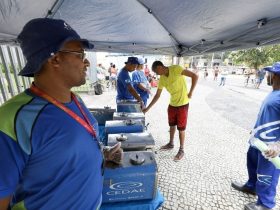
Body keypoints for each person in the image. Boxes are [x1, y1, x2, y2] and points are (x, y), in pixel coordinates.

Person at [0, 18, 123, 210]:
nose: (87, 62)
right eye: (80, 54)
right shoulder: (12, 119)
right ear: (55, 59)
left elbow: (59, 157)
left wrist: (103, 155)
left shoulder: (76, 101)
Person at [231, 63, 280, 210]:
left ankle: (265, 204)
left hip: (270, 148)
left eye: (269, 73)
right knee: (252, 165)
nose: (267, 76)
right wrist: (255, 131)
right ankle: (251, 186)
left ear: (276, 76)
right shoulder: (274, 92)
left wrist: (278, 145)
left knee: (266, 176)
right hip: (257, 141)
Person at [143, 61, 198, 161]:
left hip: (183, 104)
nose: (156, 73)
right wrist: (147, 109)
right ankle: (171, 143)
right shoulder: (162, 79)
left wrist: (191, 92)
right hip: (172, 105)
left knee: (181, 128)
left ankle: (181, 150)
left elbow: (195, 76)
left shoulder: (176, 69)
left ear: (160, 67)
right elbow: (157, 95)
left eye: (156, 71)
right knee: (172, 125)